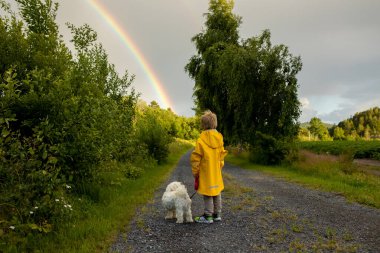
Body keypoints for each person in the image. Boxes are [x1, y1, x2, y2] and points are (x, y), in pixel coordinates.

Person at [191, 110, 228, 223]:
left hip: (206, 172)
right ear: (215, 123)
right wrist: (219, 167)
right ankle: (217, 214)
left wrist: (196, 172)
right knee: (216, 191)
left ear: (203, 124)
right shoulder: (219, 138)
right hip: (216, 171)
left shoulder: (201, 140)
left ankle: (208, 216)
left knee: (207, 193)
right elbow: (221, 156)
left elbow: (196, 158)